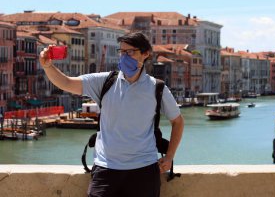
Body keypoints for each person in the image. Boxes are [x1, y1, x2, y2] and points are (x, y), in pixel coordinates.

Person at [39, 32, 184, 197]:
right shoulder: (104, 82)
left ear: (145, 54)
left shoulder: (157, 88)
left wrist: (170, 156)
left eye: (130, 52)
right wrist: (48, 66)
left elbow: (178, 122)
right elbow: (66, 82)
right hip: (105, 170)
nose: (124, 56)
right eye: (122, 52)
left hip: (144, 170)